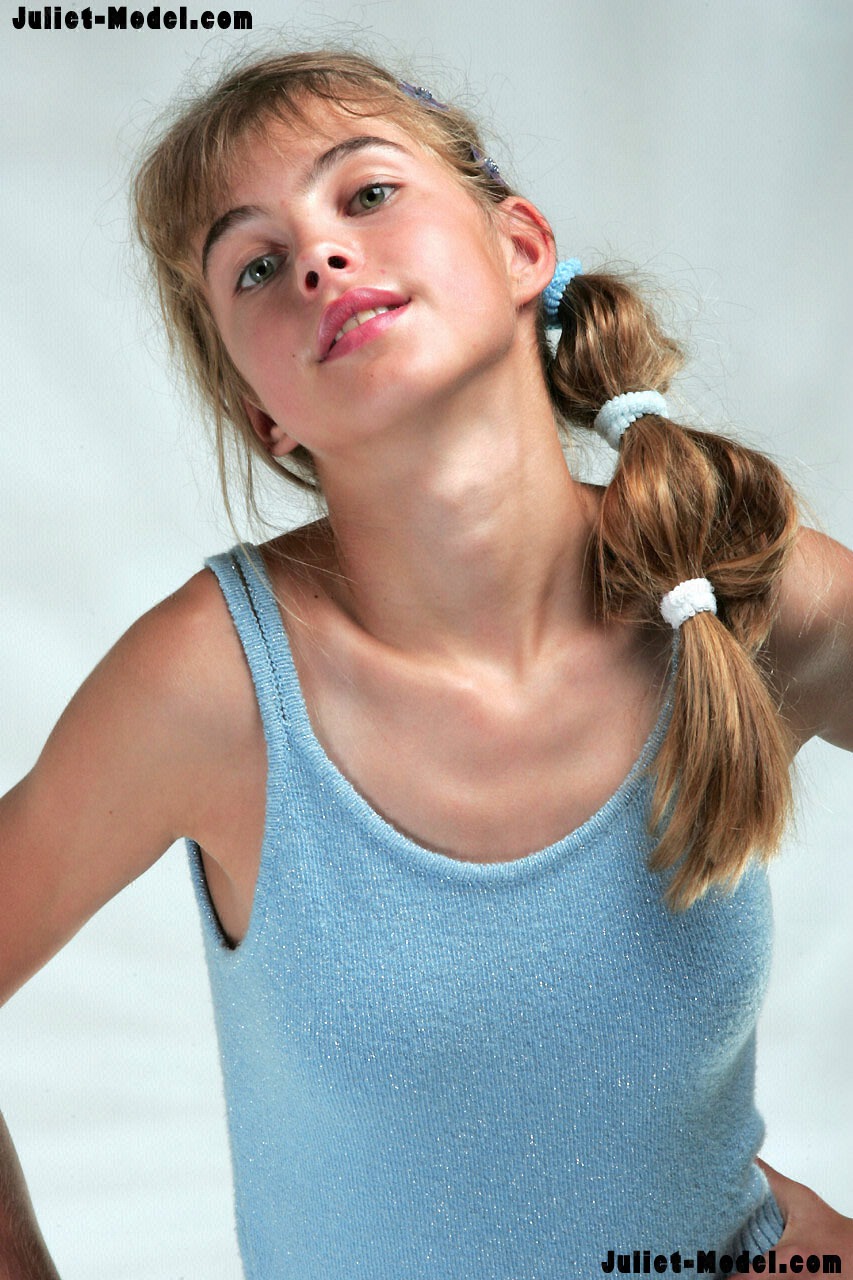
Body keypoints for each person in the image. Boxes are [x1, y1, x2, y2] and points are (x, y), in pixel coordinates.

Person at [1, 47, 851, 1279]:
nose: (317, 256)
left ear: (518, 248)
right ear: (262, 411)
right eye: (254, 264)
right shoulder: (214, 684)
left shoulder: (730, 583)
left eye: (367, 194)